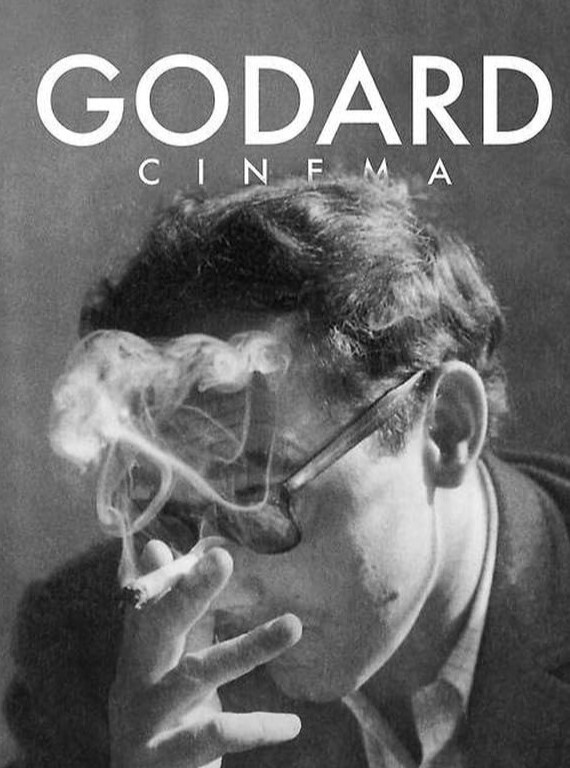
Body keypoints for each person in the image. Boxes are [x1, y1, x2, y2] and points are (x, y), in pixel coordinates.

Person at [5, 176, 570, 768]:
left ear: (447, 428)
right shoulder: (98, 662)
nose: (217, 589)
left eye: (258, 502)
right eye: (175, 516)